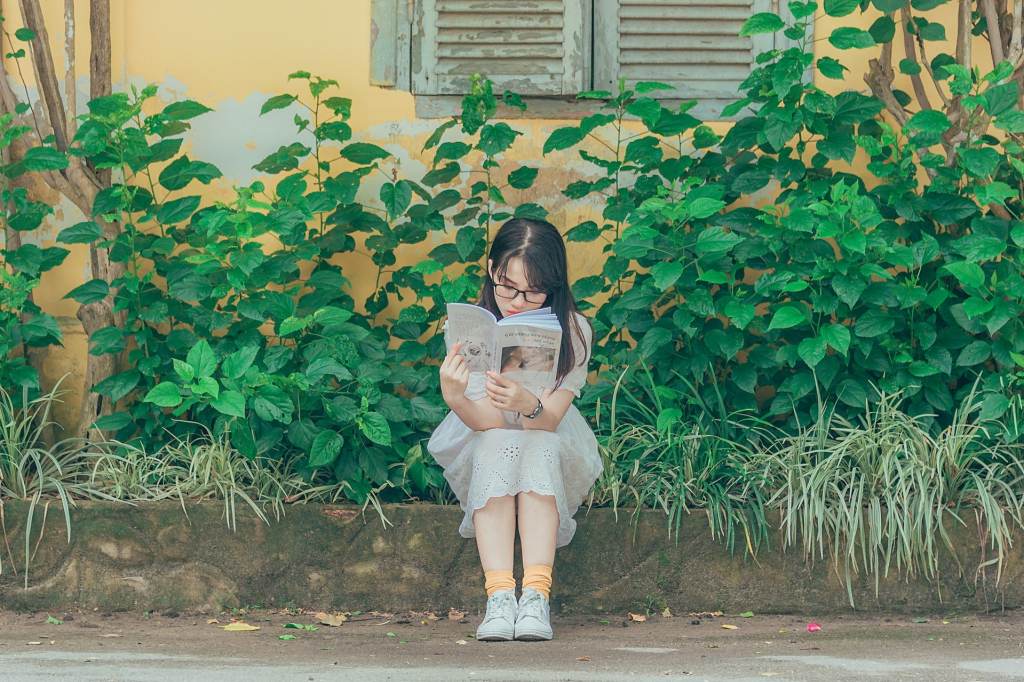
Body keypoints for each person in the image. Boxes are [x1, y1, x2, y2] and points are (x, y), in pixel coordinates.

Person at [427, 217, 601, 642]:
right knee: (497, 442)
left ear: (554, 285)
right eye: (508, 287)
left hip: (550, 437)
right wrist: (456, 399)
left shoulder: (575, 330)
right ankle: (500, 596)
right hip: (484, 436)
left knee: (537, 442)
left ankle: (536, 596)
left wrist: (528, 404)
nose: (518, 301)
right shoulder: (470, 329)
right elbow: (485, 422)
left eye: (533, 290)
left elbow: (552, 419)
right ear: (491, 271)